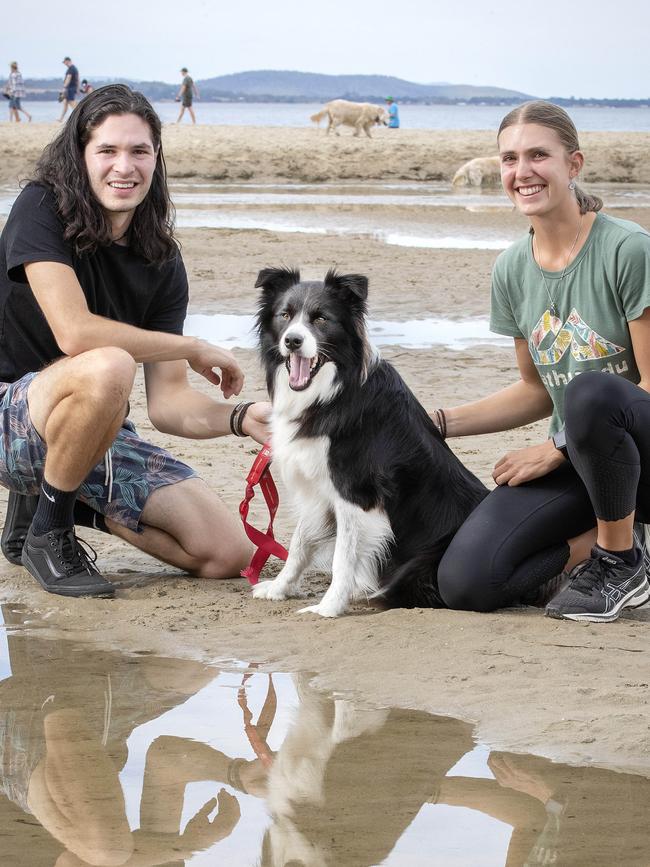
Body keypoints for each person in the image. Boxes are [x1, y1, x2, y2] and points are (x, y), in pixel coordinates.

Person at [0, 83, 268, 599]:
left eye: (139, 151)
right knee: (107, 365)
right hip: (7, 418)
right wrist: (189, 347)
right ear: (80, 156)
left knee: (227, 554)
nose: (124, 166)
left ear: (157, 157)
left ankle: (64, 501)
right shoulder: (40, 209)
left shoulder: (161, 259)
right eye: (107, 150)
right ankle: (50, 533)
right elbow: (74, 333)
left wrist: (240, 417)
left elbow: (170, 406)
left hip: (91, 433)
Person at [435, 100, 650, 623]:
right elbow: (535, 390)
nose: (522, 172)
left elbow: (647, 382)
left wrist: (557, 446)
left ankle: (619, 562)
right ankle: (613, 542)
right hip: (587, 464)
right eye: (509, 159)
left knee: (591, 392)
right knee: (466, 583)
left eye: (538, 155)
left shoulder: (629, 249)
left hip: (641, 451)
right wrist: (436, 423)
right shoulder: (511, 267)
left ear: (573, 165)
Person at [58, 56, 79, 121]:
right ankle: (60, 119)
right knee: (65, 104)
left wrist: (64, 87)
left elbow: (68, 78)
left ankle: (78, 116)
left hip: (70, 89)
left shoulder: (71, 69)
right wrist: (77, 88)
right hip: (72, 88)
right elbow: (78, 79)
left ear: (68, 61)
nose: (64, 64)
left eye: (64, 62)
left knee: (72, 103)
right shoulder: (74, 68)